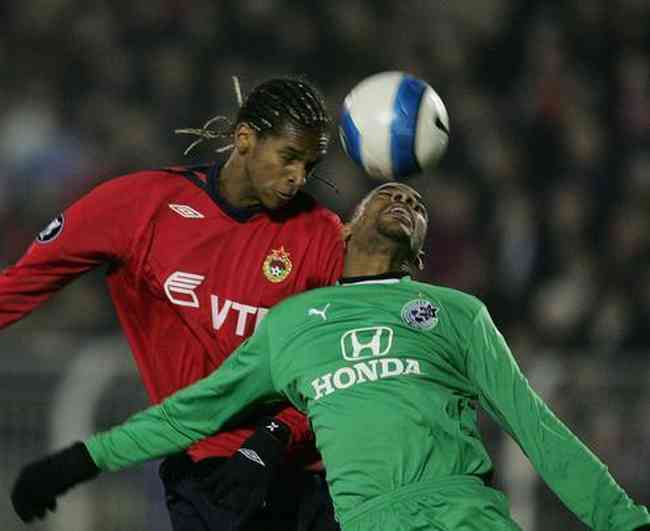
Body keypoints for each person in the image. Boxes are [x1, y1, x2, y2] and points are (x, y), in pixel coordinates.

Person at [12, 182, 650, 531]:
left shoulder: (457, 313)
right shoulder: (292, 327)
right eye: (389, 195)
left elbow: (537, 429)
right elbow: (187, 415)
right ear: (345, 227)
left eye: (419, 206)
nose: (406, 202)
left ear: (421, 255)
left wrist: (625, 523)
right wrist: (81, 459)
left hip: (464, 512)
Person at [2, 77, 344, 531]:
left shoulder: (319, 234)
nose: (298, 178)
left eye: (309, 164)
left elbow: (339, 365)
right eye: (288, 158)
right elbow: (22, 283)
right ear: (245, 139)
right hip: (209, 480)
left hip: (307, 475)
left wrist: (272, 437)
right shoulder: (143, 206)